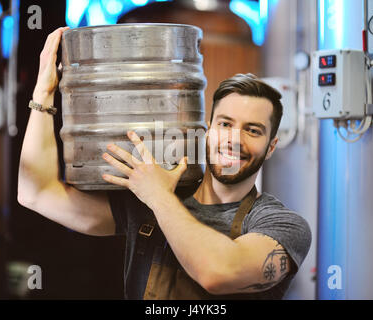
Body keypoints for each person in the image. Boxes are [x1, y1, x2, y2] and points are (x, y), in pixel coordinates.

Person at [18, 27, 311, 300]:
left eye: (253, 130)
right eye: (225, 124)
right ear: (207, 130)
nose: (234, 139)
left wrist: (159, 196)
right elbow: (36, 193)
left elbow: (217, 273)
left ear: (271, 146)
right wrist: (43, 95)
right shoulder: (145, 200)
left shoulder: (281, 225)